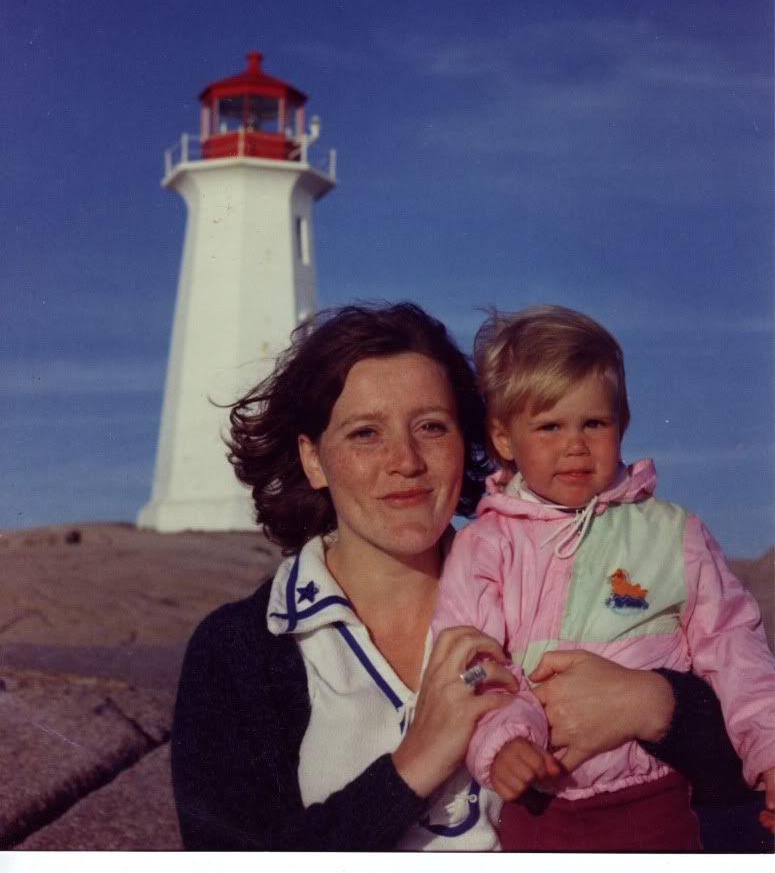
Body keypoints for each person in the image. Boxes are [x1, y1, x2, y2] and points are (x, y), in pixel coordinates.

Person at [171, 301, 748, 851]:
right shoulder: (240, 650)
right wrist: (411, 768)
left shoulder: (553, 575)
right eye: (365, 433)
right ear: (313, 458)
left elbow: (745, 780)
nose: (406, 460)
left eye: (431, 427)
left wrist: (659, 705)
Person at [432, 304, 775, 851]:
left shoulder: (673, 535)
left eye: (594, 422)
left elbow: (737, 650)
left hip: (656, 804)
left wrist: (769, 753)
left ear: (622, 423)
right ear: (503, 435)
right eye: (549, 426)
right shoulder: (484, 546)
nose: (575, 444)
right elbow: (470, 665)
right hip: (536, 808)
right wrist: (503, 743)